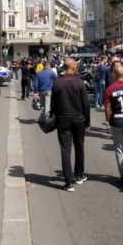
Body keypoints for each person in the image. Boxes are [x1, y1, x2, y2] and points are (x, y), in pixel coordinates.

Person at [50, 58, 91, 192]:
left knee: (65, 150)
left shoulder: (57, 82)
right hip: (78, 120)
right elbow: (86, 104)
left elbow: (53, 103)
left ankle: (68, 182)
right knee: (79, 147)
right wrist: (87, 121)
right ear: (73, 68)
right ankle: (79, 175)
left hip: (63, 120)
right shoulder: (79, 82)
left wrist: (54, 117)